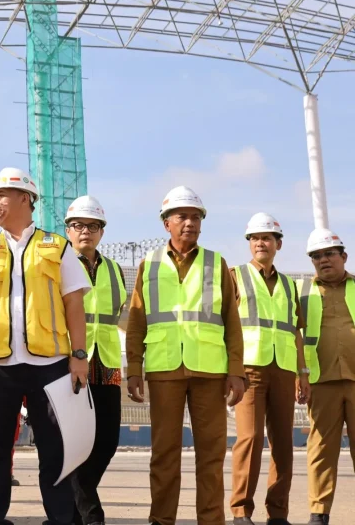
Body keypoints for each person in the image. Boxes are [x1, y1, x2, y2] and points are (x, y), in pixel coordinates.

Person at [0, 168, 89, 525]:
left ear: (25, 199)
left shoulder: (56, 245)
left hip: (50, 363)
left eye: (3, 194)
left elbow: (74, 303)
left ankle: (60, 517)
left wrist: (79, 356)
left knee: (54, 448)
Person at [125, 186, 246, 525]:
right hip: (164, 369)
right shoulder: (148, 266)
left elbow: (231, 322)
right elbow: (136, 320)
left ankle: (211, 521)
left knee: (210, 455)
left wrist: (235, 369)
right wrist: (134, 368)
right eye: (182, 217)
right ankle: (161, 520)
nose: (190, 223)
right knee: (164, 455)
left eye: (196, 217)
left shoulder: (216, 263)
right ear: (166, 223)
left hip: (210, 371)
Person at [230, 213, 308, 525]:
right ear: (249, 243)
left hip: (284, 370)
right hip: (249, 369)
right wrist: (231, 370)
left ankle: (278, 514)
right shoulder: (235, 275)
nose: (260, 242)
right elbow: (227, 327)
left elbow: (296, 331)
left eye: (266, 237)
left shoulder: (290, 286)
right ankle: (240, 511)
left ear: (278, 243)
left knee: (283, 444)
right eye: (254, 238)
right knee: (249, 438)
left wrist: (303, 374)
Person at [62, 196, 125, 525]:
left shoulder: (114, 270)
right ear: (68, 230)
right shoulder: (56, 263)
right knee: (74, 445)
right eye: (78, 225)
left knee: (108, 442)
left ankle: (73, 512)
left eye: (92, 225)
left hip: (108, 364)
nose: (85, 231)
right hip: (70, 365)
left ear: (102, 231)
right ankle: (91, 516)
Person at [301, 228, 355, 525]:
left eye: (328, 254)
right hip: (321, 381)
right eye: (316, 256)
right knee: (321, 449)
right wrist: (301, 375)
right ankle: (319, 513)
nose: (323, 260)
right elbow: (295, 337)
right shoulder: (303, 292)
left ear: (343, 256)